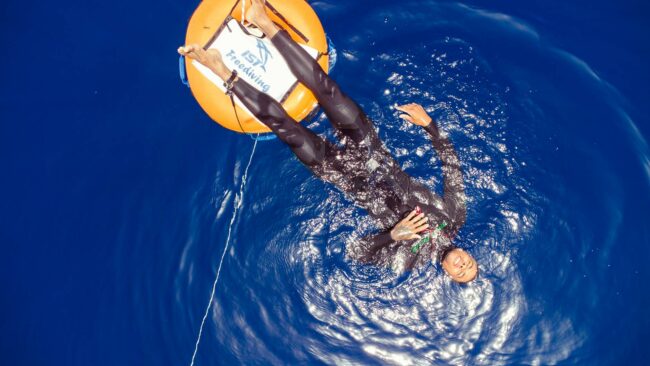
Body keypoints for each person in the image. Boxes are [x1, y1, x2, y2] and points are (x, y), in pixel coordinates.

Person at [178, 0, 478, 283]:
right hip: (371, 150)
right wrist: (431, 127)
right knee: (328, 90)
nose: (464, 265)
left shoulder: (409, 261)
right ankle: (263, 22)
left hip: (344, 176)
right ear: (469, 254)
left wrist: (392, 235)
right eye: (470, 264)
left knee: (288, 130)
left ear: (449, 276)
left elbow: (356, 253)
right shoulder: (455, 216)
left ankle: (220, 70)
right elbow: (452, 167)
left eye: (462, 274)